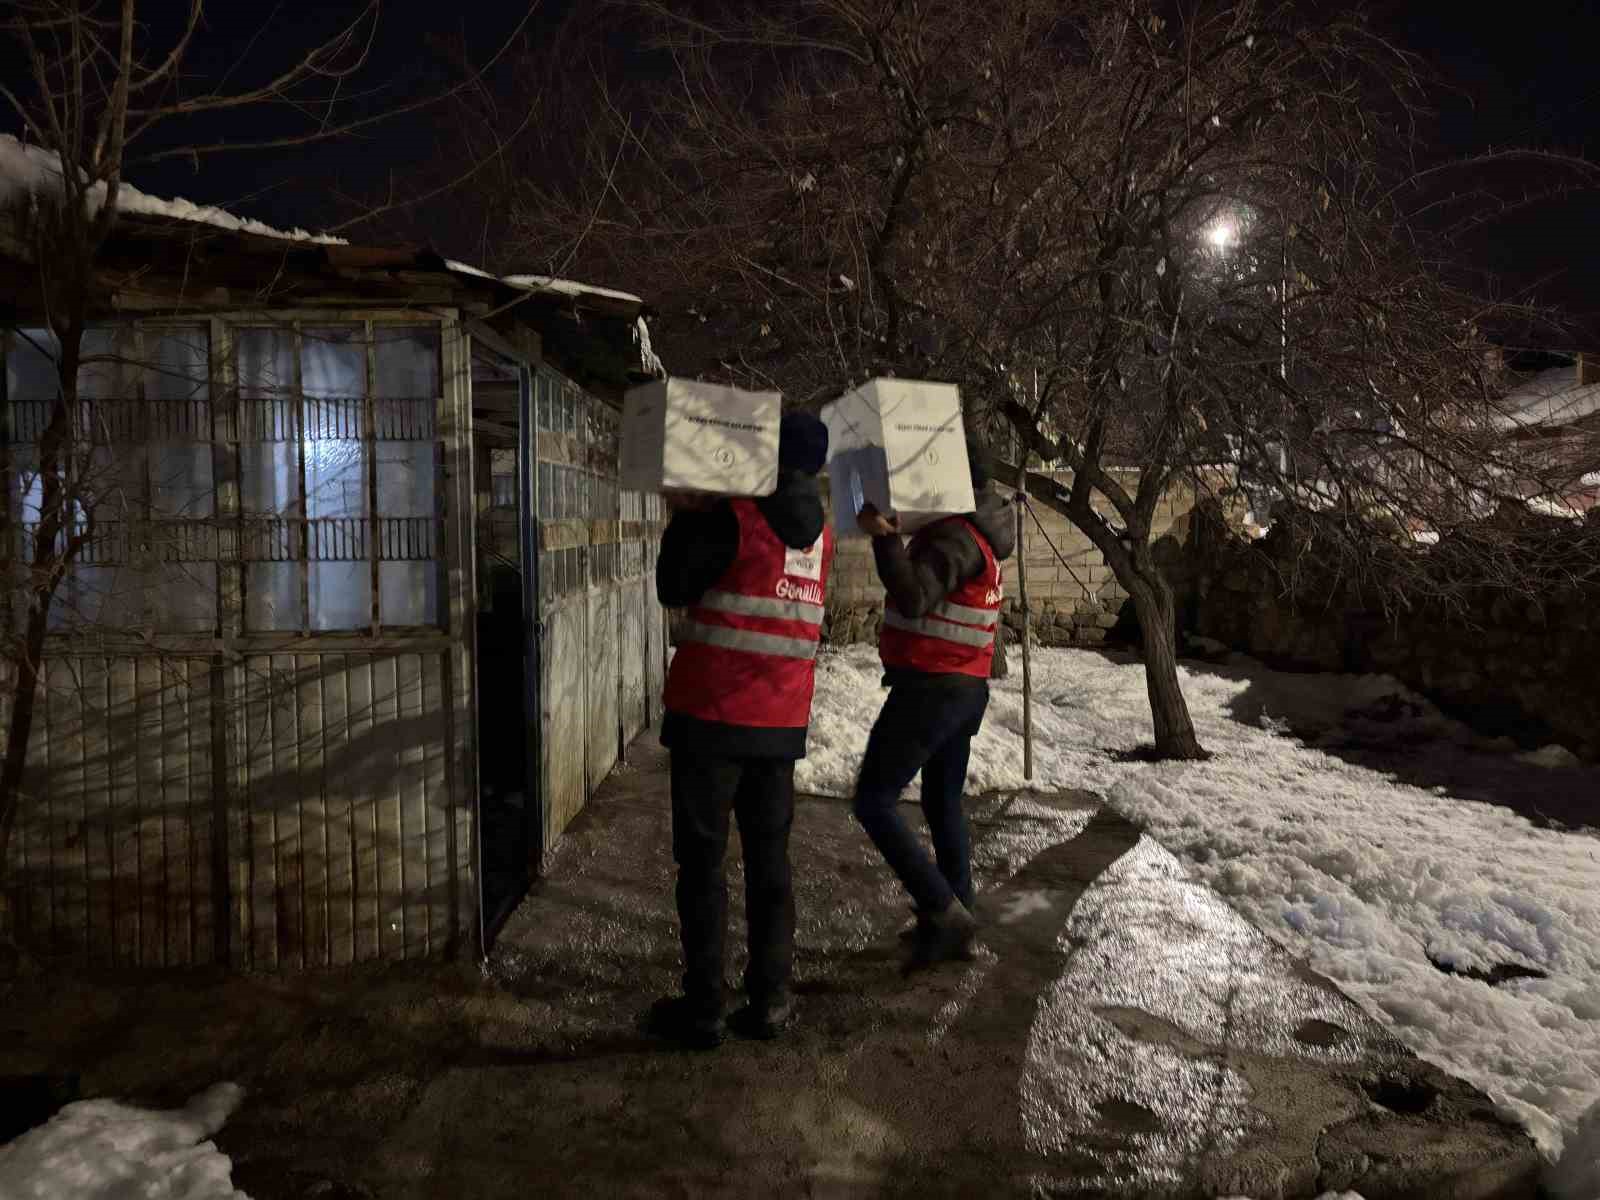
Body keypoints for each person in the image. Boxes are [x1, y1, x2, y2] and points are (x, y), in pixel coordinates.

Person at [648, 411, 834, 1049]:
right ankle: (771, 1000)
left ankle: (703, 1009)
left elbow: (671, 585)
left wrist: (688, 512)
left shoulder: (731, 519)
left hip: (712, 720)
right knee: (769, 862)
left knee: (702, 865)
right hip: (778, 727)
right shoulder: (819, 537)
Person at [852, 440, 1015, 970]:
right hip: (962, 690)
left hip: (933, 690)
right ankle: (957, 911)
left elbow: (914, 597)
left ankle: (944, 910)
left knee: (874, 800)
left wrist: (886, 540)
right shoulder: (979, 533)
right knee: (942, 801)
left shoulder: (955, 537)